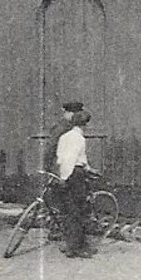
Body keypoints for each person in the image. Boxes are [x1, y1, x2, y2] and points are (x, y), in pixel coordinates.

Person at [53, 102, 95, 258]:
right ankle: (76, 248)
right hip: (74, 175)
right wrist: (66, 178)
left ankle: (71, 244)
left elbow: (61, 158)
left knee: (70, 211)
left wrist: (88, 168)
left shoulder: (65, 137)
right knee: (79, 211)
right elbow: (71, 160)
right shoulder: (78, 139)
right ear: (84, 125)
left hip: (66, 172)